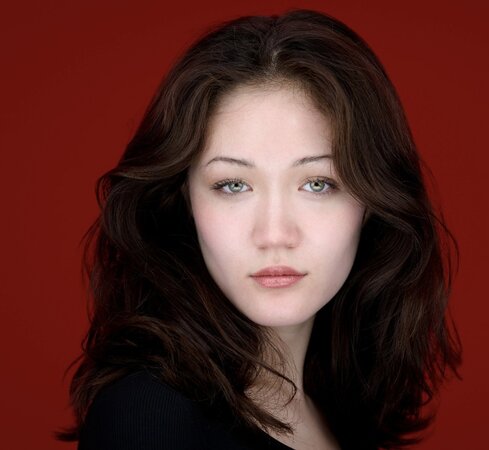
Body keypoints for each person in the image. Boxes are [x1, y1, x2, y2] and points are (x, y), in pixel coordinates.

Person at [60, 9, 461, 450]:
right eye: (233, 185)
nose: (274, 234)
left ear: (371, 201)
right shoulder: (149, 419)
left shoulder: (344, 415)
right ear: (184, 200)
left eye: (317, 183)